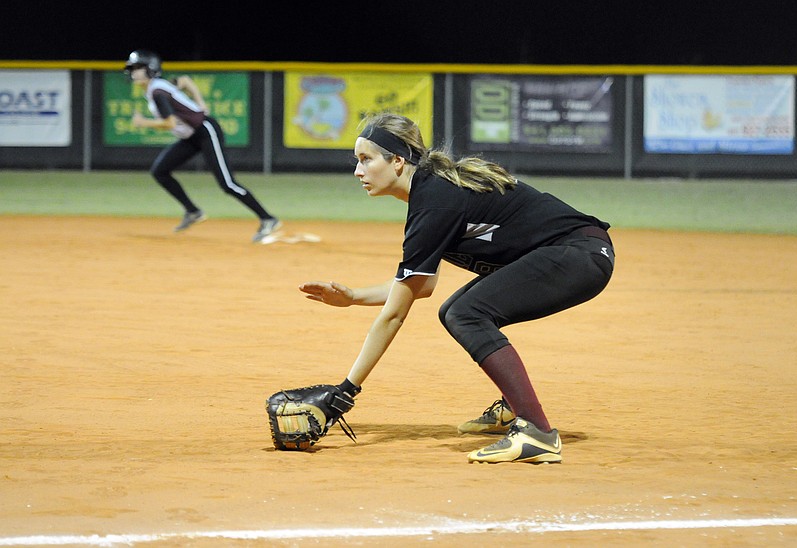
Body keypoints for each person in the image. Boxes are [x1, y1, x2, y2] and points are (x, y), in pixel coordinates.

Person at [299, 112, 615, 464]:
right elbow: (421, 285)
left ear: (398, 162)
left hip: (578, 255)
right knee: (454, 311)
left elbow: (394, 316)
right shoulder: (430, 196)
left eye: (366, 159)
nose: (358, 171)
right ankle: (514, 406)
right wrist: (354, 297)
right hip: (573, 254)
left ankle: (536, 432)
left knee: (468, 312)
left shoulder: (435, 201)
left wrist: (346, 391)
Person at [125, 49, 281, 243]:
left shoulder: (157, 92)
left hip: (206, 131)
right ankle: (193, 211)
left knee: (227, 184)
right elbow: (184, 80)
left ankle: (268, 218)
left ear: (151, 69)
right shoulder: (157, 87)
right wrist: (200, 102)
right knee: (160, 170)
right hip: (191, 137)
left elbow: (170, 123)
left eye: (138, 68)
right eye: (132, 68)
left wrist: (143, 122)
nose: (133, 72)